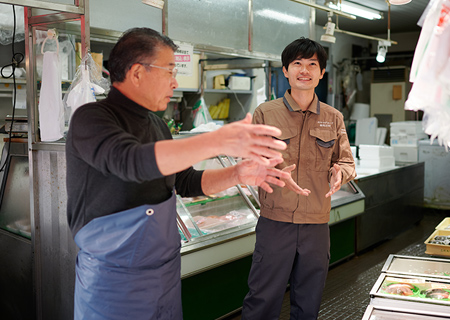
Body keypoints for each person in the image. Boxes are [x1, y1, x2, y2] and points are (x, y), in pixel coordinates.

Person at [65, 27, 296, 320]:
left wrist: (239, 173)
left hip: (164, 277)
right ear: (137, 73)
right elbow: (130, 162)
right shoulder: (91, 119)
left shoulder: (157, 124)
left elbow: (185, 181)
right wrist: (217, 139)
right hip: (113, 284)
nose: (175, 82)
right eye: (170, 70)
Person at [241, 37, 356, 320]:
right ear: (285, 70)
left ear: (321, 72)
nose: (304, 70)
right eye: (297, 64)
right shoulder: (265, 113)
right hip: (275, 222)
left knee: (309, 301)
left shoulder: (334, 117)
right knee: (262, 298)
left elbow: (347, 162)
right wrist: (268, 168)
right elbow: (249, 161)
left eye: (312, 65)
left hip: (316, 224)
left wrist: (339, 172)